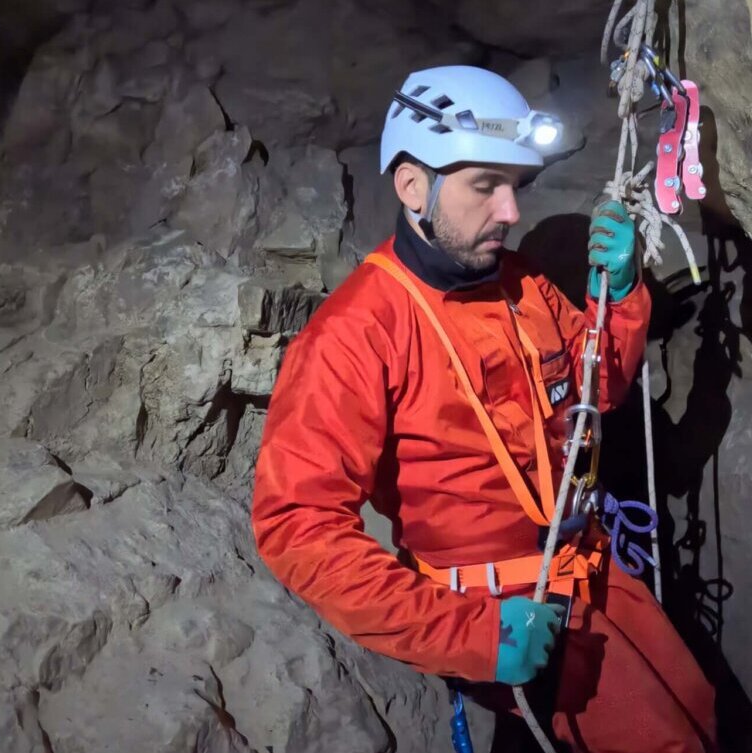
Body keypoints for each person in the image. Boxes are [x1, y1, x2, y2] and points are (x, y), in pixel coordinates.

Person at [251, 65, 716, 752]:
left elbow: (598, 391)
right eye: (484, 186)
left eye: (514, 186)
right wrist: (469, 634)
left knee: (698, 708)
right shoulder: (355, 334)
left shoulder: (519, 284)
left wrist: (617, 298)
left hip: (587, 573)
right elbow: (298, 525)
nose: (510, 212)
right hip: (493, 612)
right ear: (412, 185)